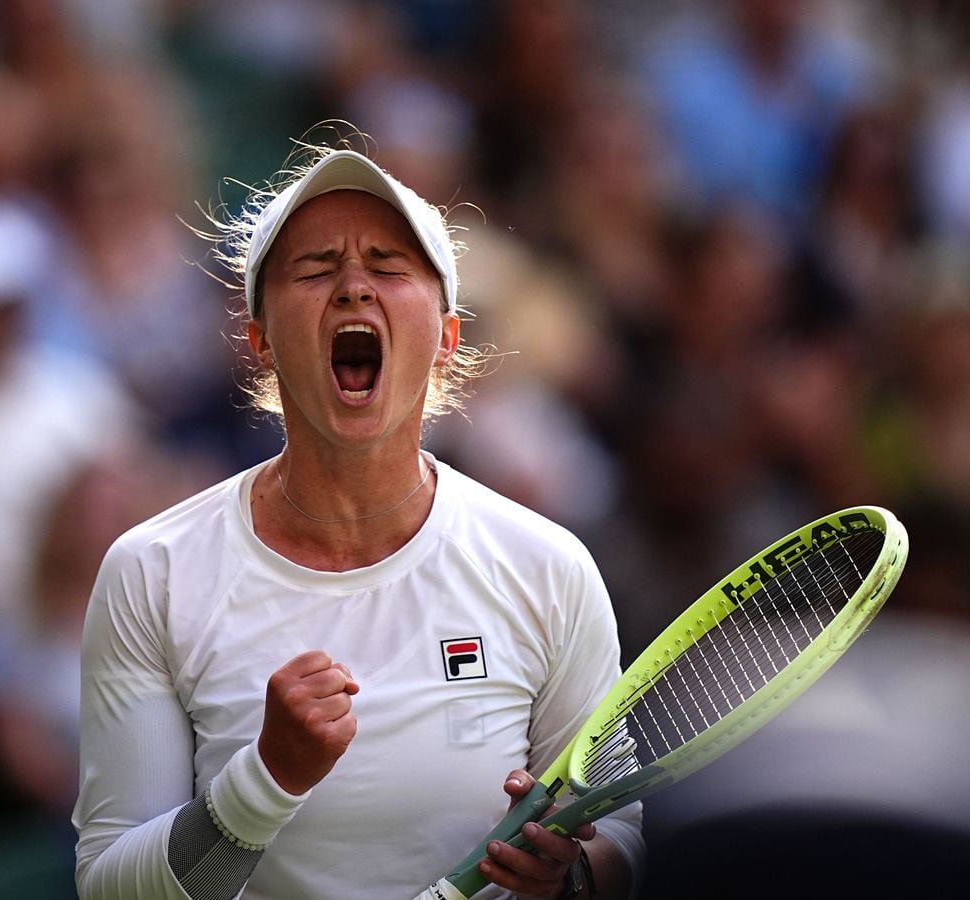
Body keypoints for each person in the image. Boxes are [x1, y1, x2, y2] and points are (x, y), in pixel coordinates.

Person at [72, 140, 645, 899]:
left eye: (387, 266)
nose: (352, 288)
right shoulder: (152, 572)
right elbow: (110, 890)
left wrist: (566, 877)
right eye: (314, 269)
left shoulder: (550, 568)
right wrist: (266, 781)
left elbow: (622, 848)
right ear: (262, 341)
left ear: (446, 338)